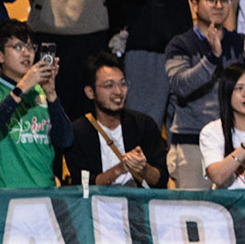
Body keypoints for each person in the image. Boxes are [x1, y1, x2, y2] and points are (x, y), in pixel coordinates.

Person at [164, 0, 245, 189]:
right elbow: (180, 85)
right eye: (211, 0)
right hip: (192, 141)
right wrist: (211, 58)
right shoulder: (180, 44)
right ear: (194, 5)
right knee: (192, 213)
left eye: (224, 0)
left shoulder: (238, 42)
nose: (219, 5)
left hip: (231, 142)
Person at [0, 21, 72, 189]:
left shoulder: (42, 92)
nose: (27, 53)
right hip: (3, 194)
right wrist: (23, 87)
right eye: (18, 47)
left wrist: (51, 94)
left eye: (31, 47)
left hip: (44, 192)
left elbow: (65, 140)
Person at [63, 55, 167, 187]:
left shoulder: (143, 125)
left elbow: (161, 179)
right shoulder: (78, 132)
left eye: (122, 84)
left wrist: (143, 168)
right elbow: (83, 184)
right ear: (90, 92)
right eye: (109, 85)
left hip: (136, 205)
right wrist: (119, 169)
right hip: (97, 206)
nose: (118, 91)